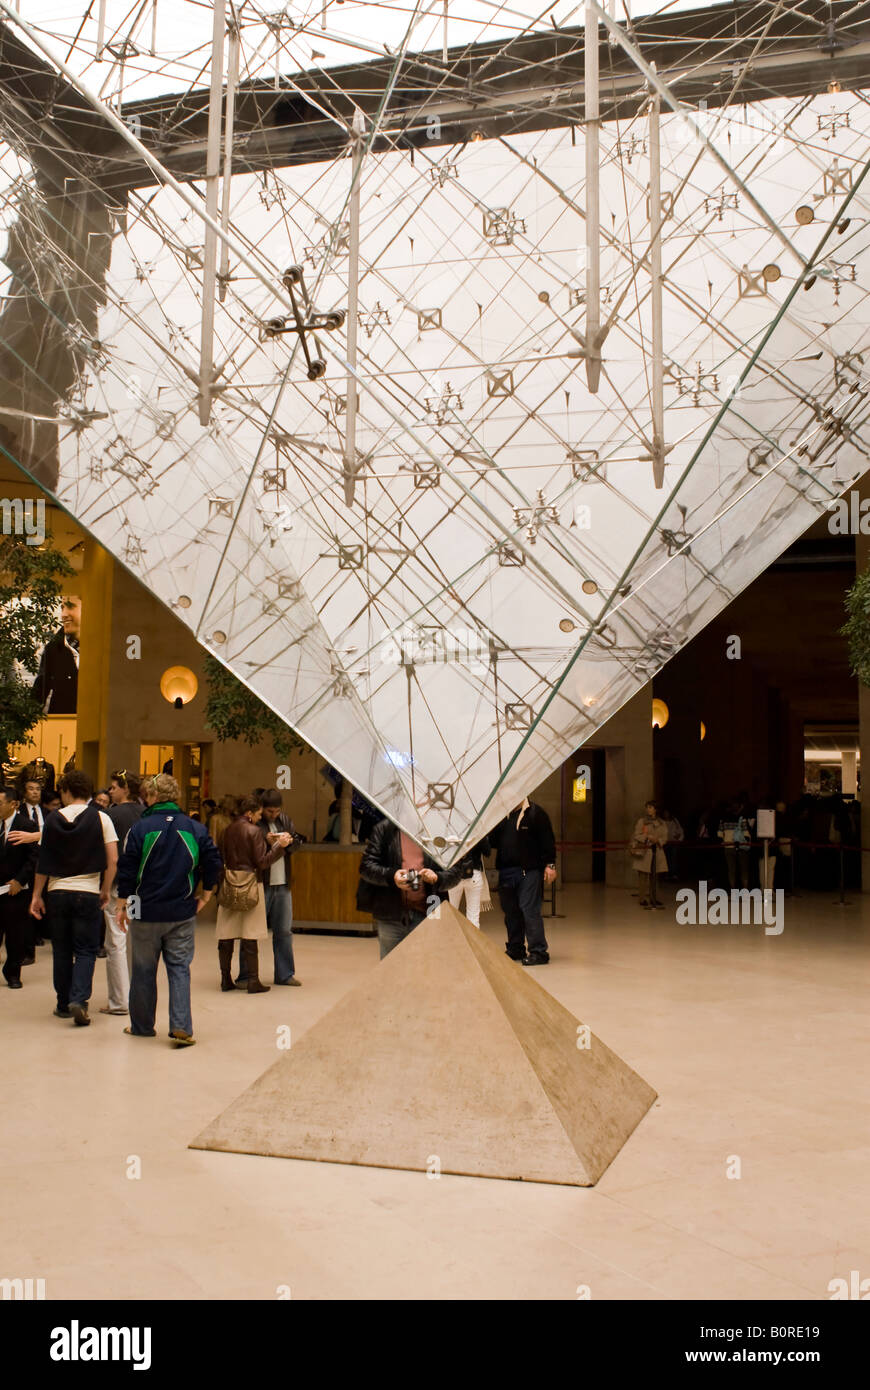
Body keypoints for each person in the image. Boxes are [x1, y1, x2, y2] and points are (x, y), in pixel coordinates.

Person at [115, 773, 221, 1046]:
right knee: (179, 969)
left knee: (142, 971)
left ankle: (141, 1026)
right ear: (176, 797)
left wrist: (122, 903)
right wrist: (206, 895)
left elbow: (127, 868)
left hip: (143, 910)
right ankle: (181, 1027)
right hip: (182, 910)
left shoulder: (139, 829)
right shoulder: (195, 828)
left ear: (151, 796)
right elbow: (213, 861)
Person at [30, 770, 117, 1026]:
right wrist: (105, 889)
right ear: (89, 792)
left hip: (57, 892)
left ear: (66, 791)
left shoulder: (52, 820)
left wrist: (36, 895)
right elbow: (112, 859)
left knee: (62, 950)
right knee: (86, 950)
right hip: (88, 891)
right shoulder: (102, 818)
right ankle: (79, 999)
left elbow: (42, 863)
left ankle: (62, 1003)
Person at [357, 818, 461, 958]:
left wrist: (437, 877)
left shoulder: (439, 831)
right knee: (390, 968)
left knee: (426, 966)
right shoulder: (384, 829)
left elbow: (455, 872)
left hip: (430, 910)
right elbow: (366, 867)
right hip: (390, 913)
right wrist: (392, 876)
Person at [216, 796, 290, 994]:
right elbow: (262, 862)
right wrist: (279, 847)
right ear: (249, 813)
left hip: (229, 882)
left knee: (226, 933)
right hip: (250, 883)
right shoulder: (254, 831)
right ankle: (253, 981)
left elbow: (219, 856)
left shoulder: (226, 830)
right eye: (258, 814)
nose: (259, 818)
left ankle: (225, 979)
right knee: (250, 933)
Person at [489, 800, 556, 964]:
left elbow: (548, 841)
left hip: (529, 870)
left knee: (529, 909)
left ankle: (539, 951)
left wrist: (550, 865)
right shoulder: (502, 815)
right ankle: (515, 948)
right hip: (506, 871)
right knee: (511, 912)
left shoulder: (535, 813)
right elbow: (493, 842)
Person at [98, 771, 143, 1016]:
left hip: (116, 887)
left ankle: (119, 1000)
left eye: (114, 787)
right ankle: (136, 995)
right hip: (140, 887)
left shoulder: (110, 815)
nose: (110, 791)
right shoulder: (145, 813)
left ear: (125, 789)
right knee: (133, 939)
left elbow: (105, 852)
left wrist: (104, 886)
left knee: (116, 939)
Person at [256, 788, 304, 986]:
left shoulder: (285, 820)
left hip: (282, 883)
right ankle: (247, 974)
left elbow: (297, 843)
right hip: (262, 883)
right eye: (270, 812)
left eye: (276, 811)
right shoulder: (257, 823)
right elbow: (253, 851)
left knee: (284, 931)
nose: (273, 815)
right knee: (253, 931)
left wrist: (288, 842)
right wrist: (266, 841)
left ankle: (284, 974)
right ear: (262, 809)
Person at [0, 785, 39, 989]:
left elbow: (33, 858)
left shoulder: (27, 826)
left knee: (15, 935)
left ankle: (13, 973)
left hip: (16, 889)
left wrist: (19, 880)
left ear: (13, 804)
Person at [33, 595, 81, 713]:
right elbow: (37, 699)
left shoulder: (108, 649)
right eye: (62, 607)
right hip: (60, 729)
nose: (63, 614)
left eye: (70, 606)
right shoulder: (52, 650)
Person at [447, 834, 491, 928]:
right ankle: (472, 942)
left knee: (451, 913)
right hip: (474, 874)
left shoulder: (450, 828)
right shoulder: (478, 829)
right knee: (473, 917)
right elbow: (487, 852)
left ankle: (452, 941)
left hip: (454, 874)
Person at [631, 800, 668, 909]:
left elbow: (665, 837)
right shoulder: (641, 821)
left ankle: (654, 897)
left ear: (656, 809)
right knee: (642, 876)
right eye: (647, 807)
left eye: (650, 807)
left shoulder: (662, 823)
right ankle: (642, 898)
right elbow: (636, 834)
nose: (648, 809)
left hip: (657, 851)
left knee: (654, 876)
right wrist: (647, 838)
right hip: (645, 851)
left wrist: (658, 840)